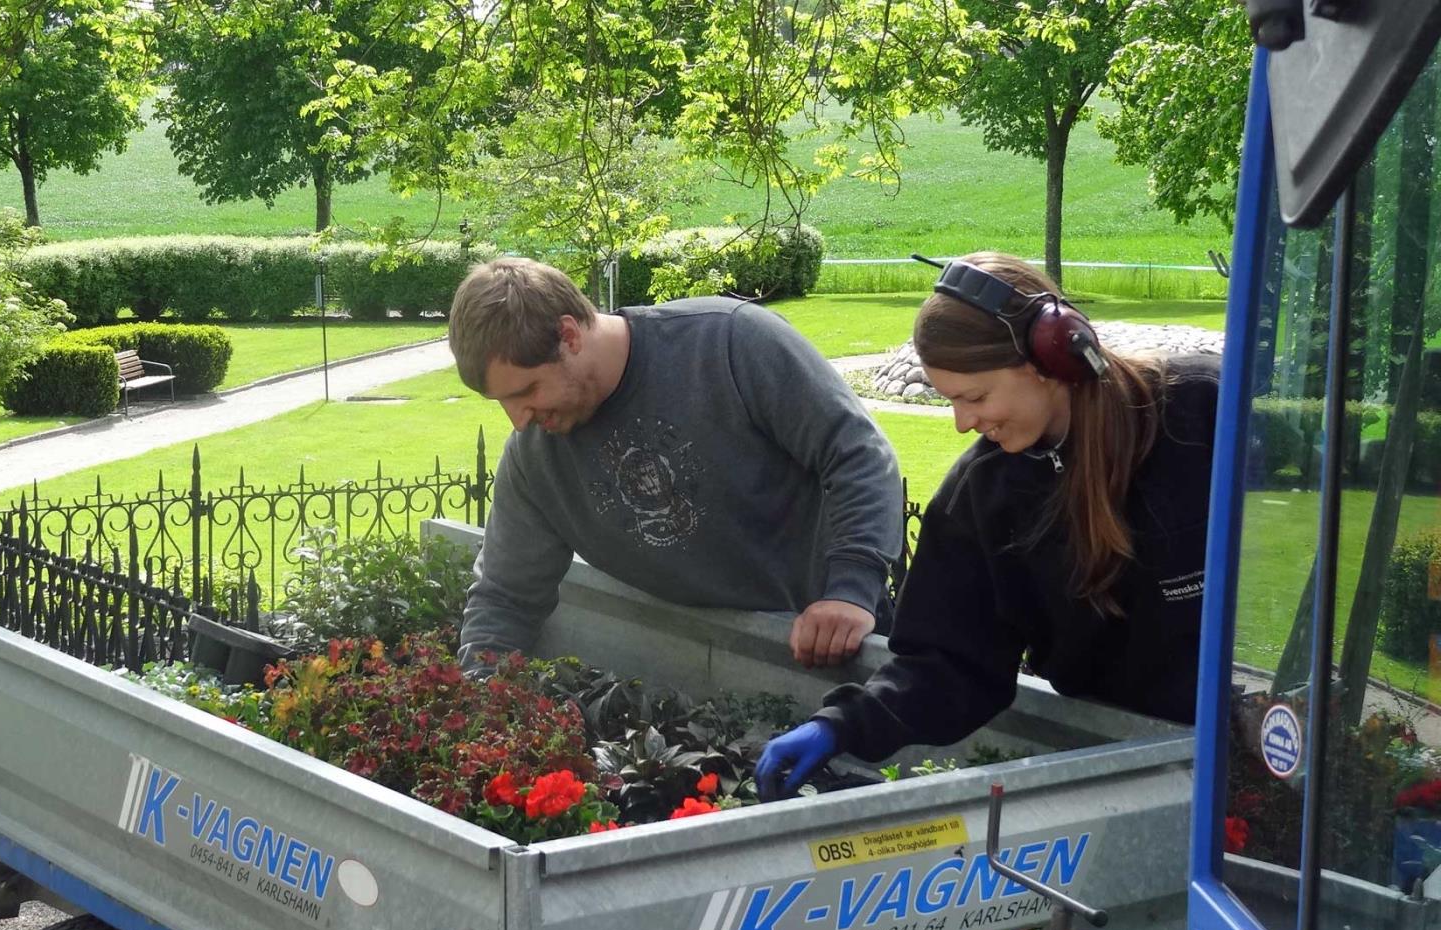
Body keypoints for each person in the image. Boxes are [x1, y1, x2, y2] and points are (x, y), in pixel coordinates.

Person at [755, 252, 1219, 800]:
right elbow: (951, 664)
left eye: (973, 397)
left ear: (1051, 357)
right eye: (951, 401)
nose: (961, 422)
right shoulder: (981, 494)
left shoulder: (1201, 411)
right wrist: (842, 725)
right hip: (1123, 762)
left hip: (1264, 741)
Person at [447, 255, 904, 672]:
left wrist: (851, 589)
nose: (519, 419)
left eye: (526, 391)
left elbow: (858, 454)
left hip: (827, 653)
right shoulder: (534, 459)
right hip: (689, 676)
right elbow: (505, 599)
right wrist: (481, 697)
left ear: (568, 336)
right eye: (501, 402)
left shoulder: (728, 342)